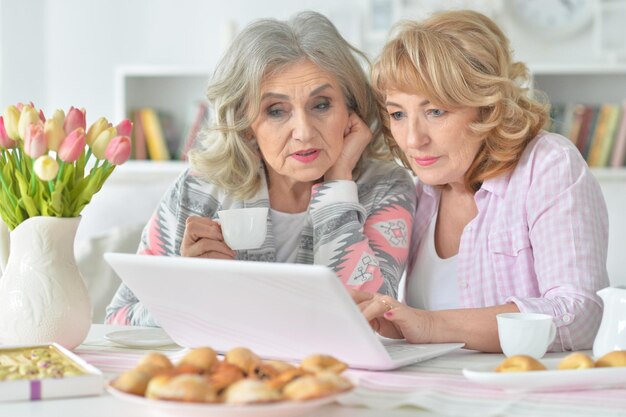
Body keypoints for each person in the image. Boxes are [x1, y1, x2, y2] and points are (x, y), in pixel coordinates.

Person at [106, 11, 416, 326]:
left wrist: (338, 186)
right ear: (247, 125)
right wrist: (190, 286)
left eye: (321, 104)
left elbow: (378, 319)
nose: (304, 131)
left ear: (351, 109)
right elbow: (118, 319)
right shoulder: (200, 189)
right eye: (276, 111)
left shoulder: (386, 188)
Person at [353, 10, 609, 352]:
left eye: (436, 112)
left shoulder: (548, 165)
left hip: (523, 397)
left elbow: (581, 315)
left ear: (487, 107)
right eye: (398, 114)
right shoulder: (420, 193)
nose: (413, 139)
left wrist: (428, 324)